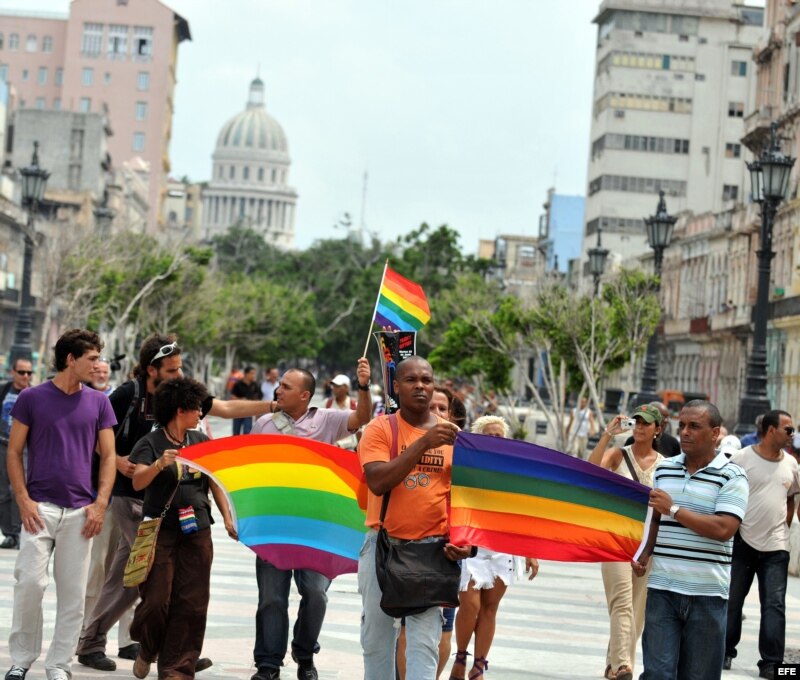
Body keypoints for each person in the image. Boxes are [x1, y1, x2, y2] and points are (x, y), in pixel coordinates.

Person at [77, 334, 273, 672]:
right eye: (171, 370)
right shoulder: (129, 394)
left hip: (174, 506)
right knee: (147, 578)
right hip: (131, 497)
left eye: (180, 368)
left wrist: (272, 406)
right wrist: (123, 461)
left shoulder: (185, 401)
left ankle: (161, 651)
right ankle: (147, 647)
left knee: (134, 575)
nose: (178, 375)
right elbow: (96, 434)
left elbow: (225, 408)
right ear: (152, 370)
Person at [250, 358, 372, 680]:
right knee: (272, 598)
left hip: (317, 527)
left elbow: (363, 417)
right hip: (274, 524)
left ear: (305, 395)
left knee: (316, 592)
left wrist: (363, 385)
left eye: (287, 387)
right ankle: (268, 664)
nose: (279, 390)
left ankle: (305, 654)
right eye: (280, 385)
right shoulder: (263, 424)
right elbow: (252, 470)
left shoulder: (328, 420)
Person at [5, 329, 117, 680]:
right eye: (93, 358)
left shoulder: (99, 402)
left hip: (81, 512)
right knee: (29, 585)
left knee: (72, 595)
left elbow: (110, 456)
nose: (98, 365)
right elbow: (13, 451)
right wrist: (22, 500)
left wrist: (100, 504)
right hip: (39, 508)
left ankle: (58, 664)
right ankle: (21, 660)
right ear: (71, 359)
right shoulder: (32, 398)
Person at [358, 356, 473, 679]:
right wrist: (423, 443)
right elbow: (378, 481)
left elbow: (465, 500)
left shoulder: (454, 438)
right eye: (411, 380)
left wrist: (465, 544)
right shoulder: (380, 429)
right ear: (396, 387)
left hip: (433, 552)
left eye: (427, 379)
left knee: (424, 643)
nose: (420, 386)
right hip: (383, 547)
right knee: (377, 642)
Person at [128, 377, 236, 680]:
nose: (200, 414)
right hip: (159, 530)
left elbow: (215, 482)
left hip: (197, 530)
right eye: (196, 409)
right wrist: (160, 464)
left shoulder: (201, 440)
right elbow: (137, 481)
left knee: (192, 602)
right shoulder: (150, 443)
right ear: (180, 410)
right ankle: (148, 647)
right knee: (156, 601)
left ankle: (177, 668)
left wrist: (228, 518)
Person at [632, 400, 748, 680]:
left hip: (707, 595)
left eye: (694, 426)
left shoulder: (733, 476)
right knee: (657, 674)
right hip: (662, 590)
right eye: (682, 425)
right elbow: (656, 517)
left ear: (715, 433)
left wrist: (674, 509)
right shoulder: (665, 470)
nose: (685, 432)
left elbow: (724, 528)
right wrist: (645, 551)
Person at [449, 415, 538, 680]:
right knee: (470, 605)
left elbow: (521, 512)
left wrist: (529, 551)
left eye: (500, 435)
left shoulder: (513, 471)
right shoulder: (465, 464)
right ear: (478, 438)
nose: (495, 439)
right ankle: (461, 656)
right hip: (472, 545)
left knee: (490, 608)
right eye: (489, 434)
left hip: (502, 547)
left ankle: (479, 666)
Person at [589, 405, 664, 680]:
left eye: (647, 423)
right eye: (638, 422)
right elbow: (591, 471)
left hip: (647, 543)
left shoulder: (666, 464)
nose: (641, 427)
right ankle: (623, 666)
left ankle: (613, 667)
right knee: (621, 603)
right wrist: (608, 435)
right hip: (615, 539)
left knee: (637, 612)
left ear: (658, 429)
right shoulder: (619, 454)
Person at [724, 410, 799, 679]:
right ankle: (724, 652)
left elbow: (790, 498)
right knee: (732, 601)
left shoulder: (791, 464)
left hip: (776, 547)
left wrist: (783, 527)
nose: (793, 435)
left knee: (775, 605)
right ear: (770, 430)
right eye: (788, 429)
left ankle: (772, 663)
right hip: (742, 542)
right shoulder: (741, 459)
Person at [0, 358, 33, 550]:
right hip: (3, 445)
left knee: (18, 489)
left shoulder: (33, 394)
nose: (26, 376)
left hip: (24, 449)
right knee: (3, 492)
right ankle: (9, 534)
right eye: (22, 372)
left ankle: (18, 530)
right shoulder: (4, 390)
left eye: (29, 372)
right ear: (13, 372)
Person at [231, 366, 262, 435]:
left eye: (254, 373)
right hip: (237, 412)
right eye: (252, 373)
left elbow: (257, 398)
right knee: (236, 433)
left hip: (248, 412)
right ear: (246, 374)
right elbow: (232, 397)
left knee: (247, 432)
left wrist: (258, 412)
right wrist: (241, 400)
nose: (253, 375)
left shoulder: (255, 385)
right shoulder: (238, 384)